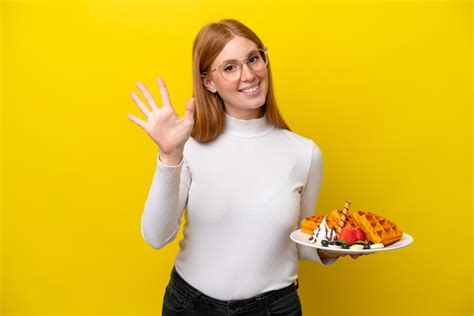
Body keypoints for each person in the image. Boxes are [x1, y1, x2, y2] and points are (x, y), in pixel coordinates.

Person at [128, 18, 359, 316]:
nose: (248, 75)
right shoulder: (189, 144)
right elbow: (156, 237)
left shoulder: (304, 153)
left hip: (274, 308)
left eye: (253, 59)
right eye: (229, 67)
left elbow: (303, 243)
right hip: (191, 306)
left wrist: (338, 246)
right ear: (208, 82)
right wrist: (168, 154)